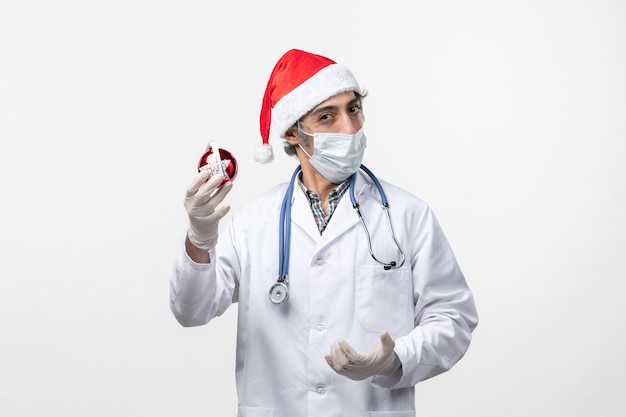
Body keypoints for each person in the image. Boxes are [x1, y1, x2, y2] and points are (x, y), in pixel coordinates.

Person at [170, 48, 478, 416]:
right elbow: (192, 310)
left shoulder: (408, 215)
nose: (349, 128)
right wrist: (200, 240)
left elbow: (453, 318)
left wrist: (395, 359)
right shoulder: (254, 222)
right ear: (291, 133)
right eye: (327, 116)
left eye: (353, 109)